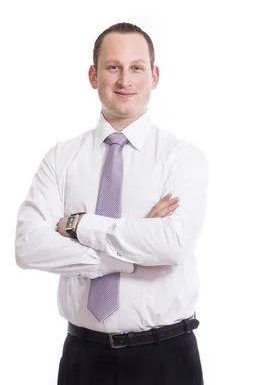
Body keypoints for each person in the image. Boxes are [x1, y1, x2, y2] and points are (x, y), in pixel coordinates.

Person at [14, 22, 208, 384]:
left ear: (154, 75)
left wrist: (77, 226)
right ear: (93, 75)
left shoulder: (181, 158)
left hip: (166, 358)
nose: (125, 80)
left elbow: (172, 244)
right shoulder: (61, 159)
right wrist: (130, 249)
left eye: (136, 68)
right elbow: (28, 247)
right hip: (83, 359)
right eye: (113, 67)